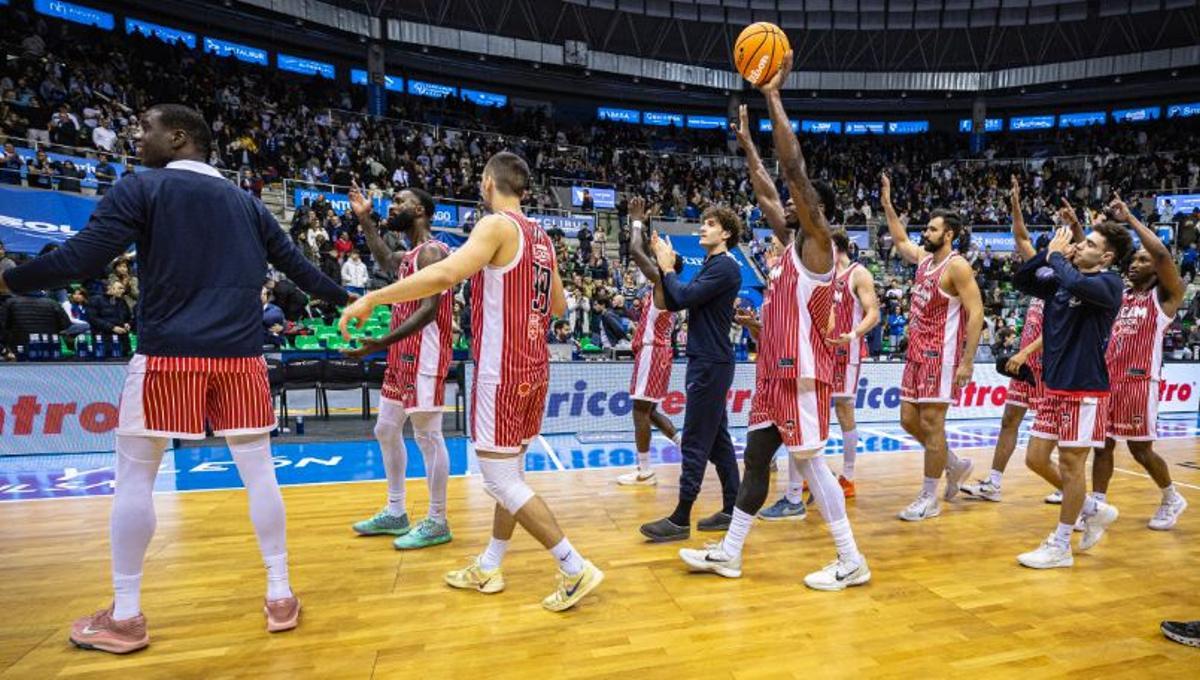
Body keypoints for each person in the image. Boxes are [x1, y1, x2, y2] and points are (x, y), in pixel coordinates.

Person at [0, 104, 350, 652]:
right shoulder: (249, 204)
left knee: (136, 479)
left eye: (146, 130)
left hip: (168, 357)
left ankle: (127, 615)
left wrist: (11, 278)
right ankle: (280, 596)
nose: (137, 139)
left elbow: (81, 259)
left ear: (180, 137)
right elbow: (304, 274)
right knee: (260, 476)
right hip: (240, 358)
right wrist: (350, 299)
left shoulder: (141, 187)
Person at [339, 151, 603, 612]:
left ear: (487, 184)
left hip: (501, 368)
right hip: (535, 365)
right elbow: (559, 306)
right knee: (511, 474)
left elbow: (442, 275)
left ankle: (573, 565)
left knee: (499, 478)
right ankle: (490, 562)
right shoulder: (541, 237)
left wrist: (372, 300)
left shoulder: (497, 225)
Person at [677, 70, 869, 591]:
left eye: (795, 202)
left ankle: (851, 558)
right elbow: (767, 187)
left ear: (816, 209)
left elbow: (791, 170)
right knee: (757, 456)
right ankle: (731, 553)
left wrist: (772, 96)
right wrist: (746, 148)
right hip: (773, 373)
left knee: (809, 465)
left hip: (803, 376)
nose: (782, 206)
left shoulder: (818, 245)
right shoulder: (789, 251)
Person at [1011, 214, 1133, 569]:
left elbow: (1074, 281)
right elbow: (1022, 279)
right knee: (1035, 458)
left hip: (1085, 389)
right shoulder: (1062, 282)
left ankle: (1061, 545)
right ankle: (1092, 508)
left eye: (1091, 244)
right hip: (1054, 386)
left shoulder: (1109, 285)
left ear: (1107, 258)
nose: (1081, 245)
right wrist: (1046, 253)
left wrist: (1056, 257)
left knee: (1070, 465)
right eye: (1083, 241)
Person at [341, 183, 454, 551]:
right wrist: (365, 219)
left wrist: (379, 344)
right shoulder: (410, 257)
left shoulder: (434, 252)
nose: (393, 206)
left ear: (420, 210)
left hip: (425, 355)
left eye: (400, 201)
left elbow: (429, 311)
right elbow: (384, 258)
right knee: (386, 429)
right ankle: (396, 511)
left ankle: (437, 519)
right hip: (401, 355)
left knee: (427, 436)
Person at [637, 201, 743, 541]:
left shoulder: (725, 267)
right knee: (719, 442)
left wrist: (668, 269)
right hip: (709, 360)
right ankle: (733, 507)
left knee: (696, 440)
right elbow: (674, 298)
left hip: (709, 363)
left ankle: (681, 518)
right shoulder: (714, 264)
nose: (702, 228)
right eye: (702, 223)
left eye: (710, 224)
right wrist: (665, 267)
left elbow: (682, 297)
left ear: (725, 233)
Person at [882, 172, 984, 521]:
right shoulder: (925, 261)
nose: (925, 234)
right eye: (925, 228)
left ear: (949, 234)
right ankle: (954, 465)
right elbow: (899, 239)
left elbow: (976, 313)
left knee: (931, 424)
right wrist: (887, 204)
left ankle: (929, 497)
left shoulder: (957, 267)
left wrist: (967, 362)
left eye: (931, 229)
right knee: (908, 420)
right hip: (915, 353)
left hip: (940, 357)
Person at [761, 227, 880, 517]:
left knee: (843, 410)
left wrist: (853, 335)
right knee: (804, 415)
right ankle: (807, 478)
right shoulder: (814, 273)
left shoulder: (857, 273)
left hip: (845, 354)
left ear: (834, 247)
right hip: (816, 353)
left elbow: (873, 312)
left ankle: (848, 476)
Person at [1089, 195, 1188, 531]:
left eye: (1143, 261)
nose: (1135, 263)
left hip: (1140, 382)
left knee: (1141, 450)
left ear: (1157, 270)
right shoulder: (1121, 295)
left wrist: (1129, 218)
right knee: (1102, 446)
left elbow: (1161, 253)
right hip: (1109, 380)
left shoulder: (1165, 298)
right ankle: (1096, 506)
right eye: (1133, 259)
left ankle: (1172, 496)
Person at [962, 177, 1046, 502]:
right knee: (1010, 418)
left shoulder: (1071, 281)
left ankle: (1072, 490)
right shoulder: (1044, 273)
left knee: (1059, 432)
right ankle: (993, 483)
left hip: (1050, 366)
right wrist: (1014, 203)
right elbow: (1021, 236)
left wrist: (1025, 353)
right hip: (1024, 365)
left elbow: (1055, 331)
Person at [618, 196, 682, 486]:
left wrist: (636, 221)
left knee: (639, 411)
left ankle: (644, 470)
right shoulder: (669, 283)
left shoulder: (660, 281)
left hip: (652, 352)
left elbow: (634, 249)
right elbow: (642, 248)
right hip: (660, 353)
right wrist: (645, 229)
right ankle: (686, 447)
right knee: (651, 410)